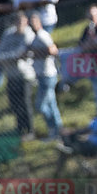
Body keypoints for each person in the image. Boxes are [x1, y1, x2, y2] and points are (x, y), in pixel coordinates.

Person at [0, 11, 35, 137]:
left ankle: (30, 130)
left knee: (25, 103)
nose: (19, 25)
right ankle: (20, 129)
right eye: (17, 22)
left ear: (26, 22)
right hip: (11, 76)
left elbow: (21, 53)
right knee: (15, 104)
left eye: (21, 22)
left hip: (25, 76)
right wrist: (10, 58)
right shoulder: (8, 34)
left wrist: (7, 58)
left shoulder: (28, 34)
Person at [28, 11, 62, 140]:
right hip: (40, 76)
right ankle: (57, 132)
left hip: (48, 75)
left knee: (40, 105)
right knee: (52, 104)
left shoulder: (43, 35)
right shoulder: (33, 37)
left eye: (34, 22)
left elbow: (53, 50)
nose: (31, 25)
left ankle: (54, 128)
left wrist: (36, 52)